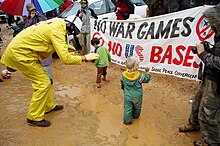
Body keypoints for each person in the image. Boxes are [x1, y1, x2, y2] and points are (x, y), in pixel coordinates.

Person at [0, 18, 99, 127]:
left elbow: (45, 38)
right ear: (69, 28)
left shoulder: (57, 23)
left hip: (23, 51)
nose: (68, 34)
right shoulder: (57, 31)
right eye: (69, 32)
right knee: (42, 83)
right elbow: (66, 59)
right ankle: (33, 116)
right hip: (21, 54)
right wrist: (85, 57)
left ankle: (49, 106)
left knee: (45, 79)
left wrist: (64, 47)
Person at [179, 3, 220, 146]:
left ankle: (212, 142)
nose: (211, 25)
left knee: (209, 112)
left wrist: (203, 54)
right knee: (196, 102)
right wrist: (207, 49)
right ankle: (194, 124)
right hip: (209, 77)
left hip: (216, 82)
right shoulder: (218, 36)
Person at [120, 56, 151, 125]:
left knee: (127, 108)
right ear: (137, 66)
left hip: (127, 95)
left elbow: (122, 83)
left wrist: (123, 88)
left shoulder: (123, 75)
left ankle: (127, 121)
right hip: (137, 96)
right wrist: (147, 73)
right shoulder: (140, 76)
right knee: (137, 107)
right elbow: (147, 79)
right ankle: (135, 116)